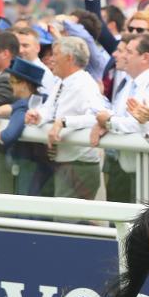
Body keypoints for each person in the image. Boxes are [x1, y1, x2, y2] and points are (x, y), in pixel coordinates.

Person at [25, 37, 106, 202]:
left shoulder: (85, 84)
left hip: (79, 164)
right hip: (63, 161)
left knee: (67, 216)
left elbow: (97, 116)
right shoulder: (61, 82)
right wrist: (37, 115)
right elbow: (49, 110)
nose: (51, 59)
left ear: (69, 58)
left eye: (55, 54)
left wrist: (63, 122)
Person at [96, 33, 149, 203]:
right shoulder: (129, 82)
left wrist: (110, 122)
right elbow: (118, 116)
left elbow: (145, 122)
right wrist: (106, 121)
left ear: (145, 57)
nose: (123, 55)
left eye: (129, 52)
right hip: (126, 164)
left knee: (148, 219)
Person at [0, 57, 53, 196]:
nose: (10, 85)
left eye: (13, 81)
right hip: (45, 168)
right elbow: (12, 107)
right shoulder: (42, 99)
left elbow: (7, 136)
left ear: (24, 85)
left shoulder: (23, 108)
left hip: (29, 168)